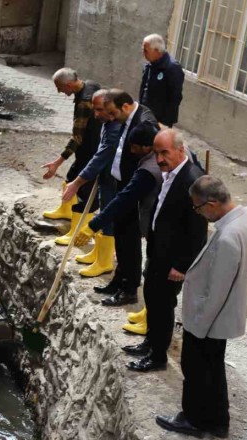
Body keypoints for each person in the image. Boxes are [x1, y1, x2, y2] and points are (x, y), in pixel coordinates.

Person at [156, 176, 247, 438]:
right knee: (214, 369)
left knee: (196, 369)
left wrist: (197, 326)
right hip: (229, 310)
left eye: (198, 208)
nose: (199, 214)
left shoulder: (228, 238)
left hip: (211, 318)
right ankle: (218, 420)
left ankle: (195, 420)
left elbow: (217, 292)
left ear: (213, 203)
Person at [127, 129, 207, 372]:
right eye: (156, 153)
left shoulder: (192, 179)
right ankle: (151, 343)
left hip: (172, 258)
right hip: (158, 251)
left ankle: (158, 356)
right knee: (152, 297)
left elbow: (197, 231)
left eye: (165, 153)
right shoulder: (172, 173)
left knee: (163, 305)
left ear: (181, 150)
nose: (160, 159)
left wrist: (182, 265)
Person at [74, 124, 161, 333]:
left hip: (154, 223)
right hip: (144, 216)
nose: (131, 151)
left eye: (135, 147)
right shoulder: (148, 159)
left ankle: (151, 318)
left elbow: (125, 198)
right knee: (129, 249)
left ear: (148, 147)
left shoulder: (149, 170)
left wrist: (94, 225)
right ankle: (133, 295)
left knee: (154, 272)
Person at [93, 89, 158, 307]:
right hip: (122, 182)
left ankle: (129, 289)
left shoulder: (145, 122)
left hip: (134, 190)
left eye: (113, 113)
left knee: (129, 241)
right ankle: (119, 280)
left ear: (126, 106)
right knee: (120, 238)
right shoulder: (127, 118)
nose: (111, 119)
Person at [60, 89, 122, 277]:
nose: (95, 114)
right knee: (103, 208)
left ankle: (105, 261)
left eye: (99, 110)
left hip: (114, 177)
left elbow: (102, 155)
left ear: (111, 107)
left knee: (108, 215)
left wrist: (77, 182)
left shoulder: (117, 127)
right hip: (105, 174)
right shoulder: (107, 122)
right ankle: (98, 253)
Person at [41, 68, 102, 247]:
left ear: (69, 84)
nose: (60, 92)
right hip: (86, 149)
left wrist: (57, 162)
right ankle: (65, 210)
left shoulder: (84, 103)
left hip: (92, 150)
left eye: (60, 88)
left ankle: (77, 233)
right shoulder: (91, 84)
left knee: (84, 191)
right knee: (71, 177)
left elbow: (77, 138)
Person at [139, 34, 185, 128]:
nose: (143, 54)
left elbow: (175, 97)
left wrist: (164, 122)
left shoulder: (172, 68)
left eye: (146, 51)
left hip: (160, 120)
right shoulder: (150, 65)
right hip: (145, 114)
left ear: (156, 51)